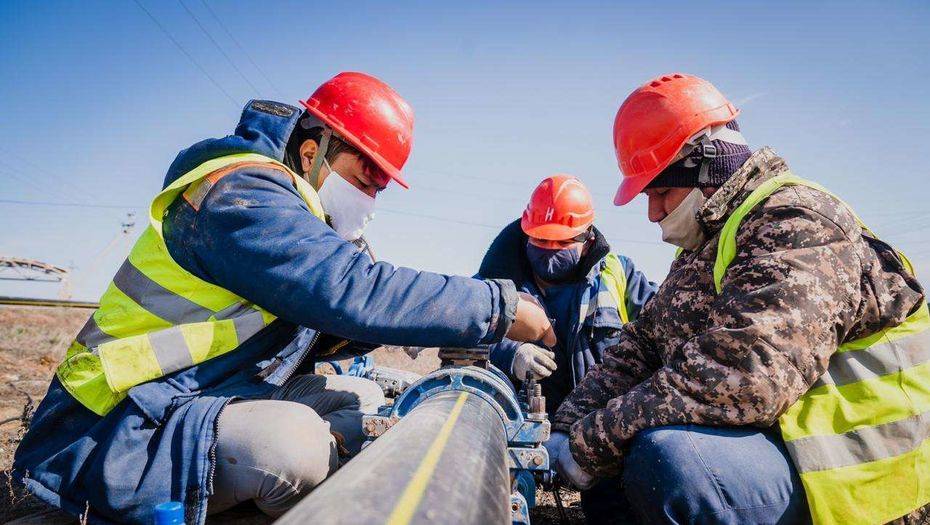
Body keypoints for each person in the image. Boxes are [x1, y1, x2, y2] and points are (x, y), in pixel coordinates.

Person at [13, 72, 554, 524]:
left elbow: (337, 318)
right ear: (313, 149)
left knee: (357, 405)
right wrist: (498, 308)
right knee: (291, 446)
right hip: (106, 429)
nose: (367, 201)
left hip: (195, 392)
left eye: (378, 190)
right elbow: (350, 290)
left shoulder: (298, 216)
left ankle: (258, 494)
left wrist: (423, 326)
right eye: (361, 178)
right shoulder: (240, 194)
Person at [549, 73, 928, 525]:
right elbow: (642, 347)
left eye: (661, 192)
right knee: (622, 459)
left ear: (707, 167)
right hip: (791, 458)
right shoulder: (706, 246)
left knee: (672, 461)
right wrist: (565, 426)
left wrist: (591, 442)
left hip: (860, 479)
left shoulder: (798, 223)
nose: (653, 214)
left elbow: (746, 375)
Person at [477, 174, 657, 521]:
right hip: (519, 435)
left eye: (561, 243)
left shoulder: (619, 275)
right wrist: (510, 353)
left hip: (601, 438)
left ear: (587, 241)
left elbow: (664, 327)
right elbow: (469, 329)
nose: (549, 252)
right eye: (540, 241)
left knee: (612, 511)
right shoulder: (500, 279)